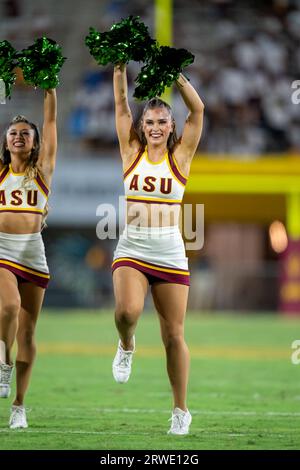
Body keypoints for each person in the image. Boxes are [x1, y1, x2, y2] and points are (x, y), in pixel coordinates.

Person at [111, 63, 204, 435]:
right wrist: (119, 66)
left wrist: (177, 74)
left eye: (162, 121)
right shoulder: (131, 151)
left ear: (170, 126)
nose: (154, 127)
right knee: (127, 311)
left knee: (173, 335)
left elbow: (198, 110)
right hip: (132, 247)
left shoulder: (180, 157)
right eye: (149, 121)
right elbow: (120, 105)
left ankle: (181, 410)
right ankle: (126, 344)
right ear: (141, 126)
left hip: (169, 252)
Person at [0, 88, 57, 429]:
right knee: (8, 309)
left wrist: (50, 87)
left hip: (32, 251)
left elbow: (50, 120)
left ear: (35, 143)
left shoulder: (44, 170)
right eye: (12, 133)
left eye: (25, 134)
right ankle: (3, 363)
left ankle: (19, 405)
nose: (19, 137)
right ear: (5, 142)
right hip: (2, 249)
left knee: (30, 333)